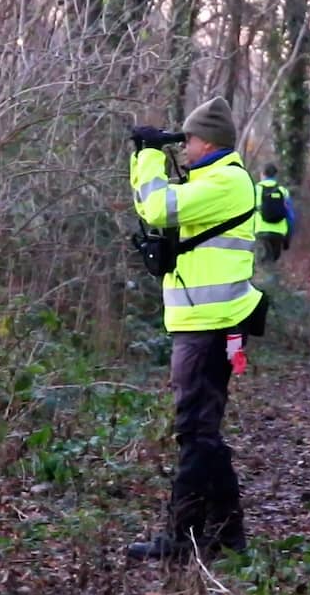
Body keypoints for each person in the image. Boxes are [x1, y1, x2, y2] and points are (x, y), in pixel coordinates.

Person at [126, 96, 263, 561]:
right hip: (204, 322)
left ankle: (181, 538)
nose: (183, 148)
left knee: (194, 430)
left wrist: (146, 156)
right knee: (203, 431)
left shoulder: (227, 182)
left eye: (188, 140)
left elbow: (157, 207)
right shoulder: (215, 179)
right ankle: (227, 534)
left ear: (210, 142)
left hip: (211, 324)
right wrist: (146, 157)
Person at [254, 163, 295, 263]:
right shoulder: (283, 191)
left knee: (261, 264)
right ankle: (272, 278)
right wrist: (288, 237)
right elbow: (290, 217)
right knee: (272, 263)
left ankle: (265, 278)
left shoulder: (256, 189)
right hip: (279, 233)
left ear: (262, 174)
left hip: (260, 232)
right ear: (275, 175)